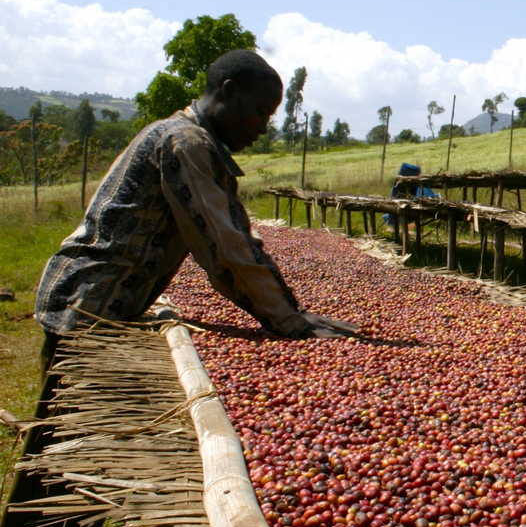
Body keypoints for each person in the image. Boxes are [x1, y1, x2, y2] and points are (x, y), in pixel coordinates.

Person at [35, 50, 355, 362]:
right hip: (87, 303)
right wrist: (289, 322)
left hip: (94, 298)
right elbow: (223, 245)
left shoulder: (185, 135)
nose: (262, 127)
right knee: (64, 411)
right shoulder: (187, 143)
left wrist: (290, 311)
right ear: (229, 91)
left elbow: (234, 234)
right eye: (259, 111)